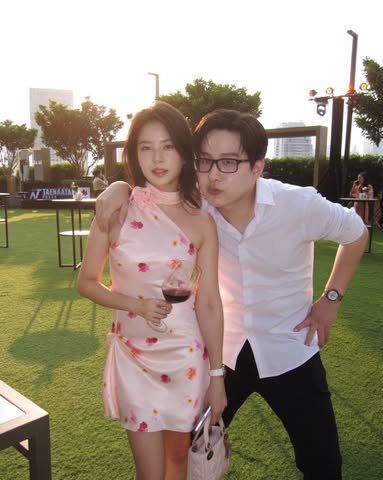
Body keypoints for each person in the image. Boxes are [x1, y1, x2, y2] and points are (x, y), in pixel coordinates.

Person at [95, 108, 368, 480]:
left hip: (290, 348)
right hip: (224, 352)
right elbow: (153, 187)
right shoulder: (196, 205)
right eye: (204, 161)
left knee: (323, 464)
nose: (212, 175)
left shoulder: (298, 204)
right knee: (187, 453)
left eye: (227, 163)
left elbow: (356, 233)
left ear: (257, 167)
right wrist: (119, 187)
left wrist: (330, 300)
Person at [77, 102, 226, 480]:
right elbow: (86, 281)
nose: (157, 159)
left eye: (168, 146)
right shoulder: (115, 211)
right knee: (149, 472)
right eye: (146, 147)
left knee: (178, 460)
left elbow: (209, 302)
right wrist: (135, 305)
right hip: (134, 356)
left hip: (185, 354)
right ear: (133, 154)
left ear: (184, 153)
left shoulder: (202, 222)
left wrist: (217, 375)